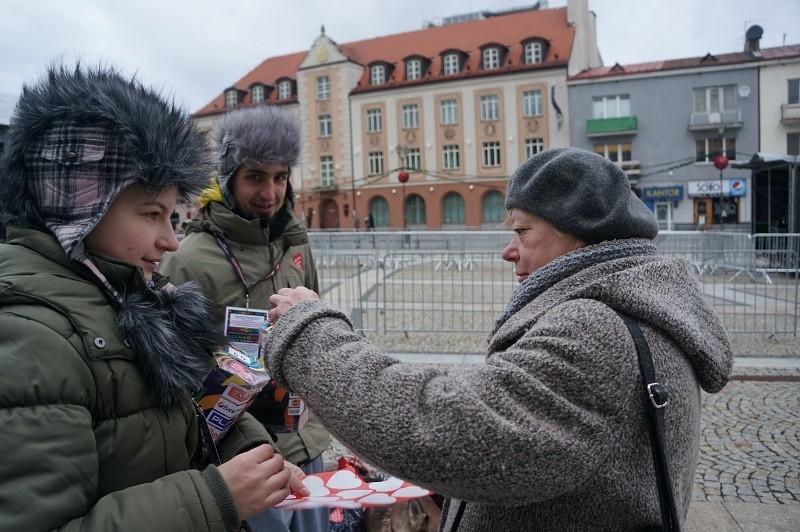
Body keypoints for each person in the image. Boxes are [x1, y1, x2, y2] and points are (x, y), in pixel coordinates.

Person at [263, 148, 734, 531]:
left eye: (522, 231)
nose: (508, 250)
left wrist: (311, 333)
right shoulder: (631, 304)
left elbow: (448, 430)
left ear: (581, 235)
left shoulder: (597, 330)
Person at [0, 63, 307, 531]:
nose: (171, 240)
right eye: (151, 214)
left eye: (171, 215)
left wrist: (250, 454)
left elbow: (193, 410)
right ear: (81, 207)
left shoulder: (138, 294)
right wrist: (216, 497)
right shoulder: (29, 337)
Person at [158, 105, 331, 532]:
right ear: (228, 179)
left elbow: (314, 326)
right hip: (242, 455)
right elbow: (172, 371)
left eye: (280, 177)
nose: (270, 192)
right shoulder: (187, 260)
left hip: (306, 440)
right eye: (255, 176)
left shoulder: (295, 245)